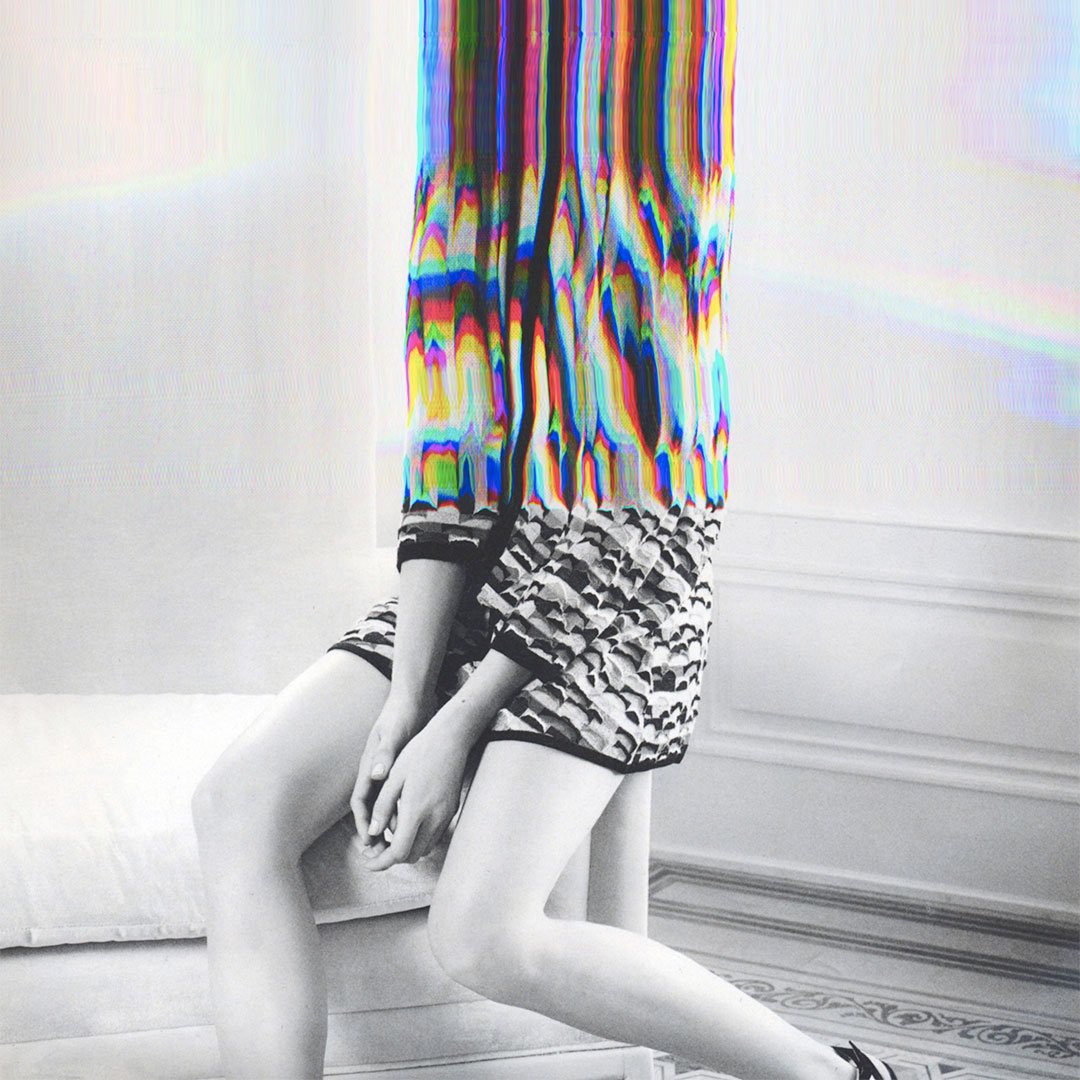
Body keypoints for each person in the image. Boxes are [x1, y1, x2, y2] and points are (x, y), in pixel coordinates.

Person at [192, 2, 896, 1078]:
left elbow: (641, 521)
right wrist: (405, 695)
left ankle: (841, 1076)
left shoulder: (653, 175)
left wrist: (457, 723)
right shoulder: (464, 146)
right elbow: (448, 470)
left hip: (631, 586)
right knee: (236, 803)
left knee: (483, 934)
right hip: (493, 573)